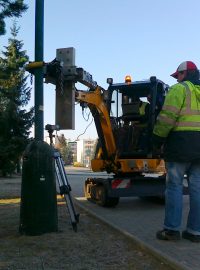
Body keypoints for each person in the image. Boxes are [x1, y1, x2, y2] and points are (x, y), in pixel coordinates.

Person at [152, 61, 200, 242]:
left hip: (180, 146)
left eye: (178, 75)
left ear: (184, 74)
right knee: (197, 189)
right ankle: (195, 232)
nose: (177, 79)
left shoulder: (179, 90)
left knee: (174, 187)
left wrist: (157, 139)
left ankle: (172, 231)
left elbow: (167, 117)